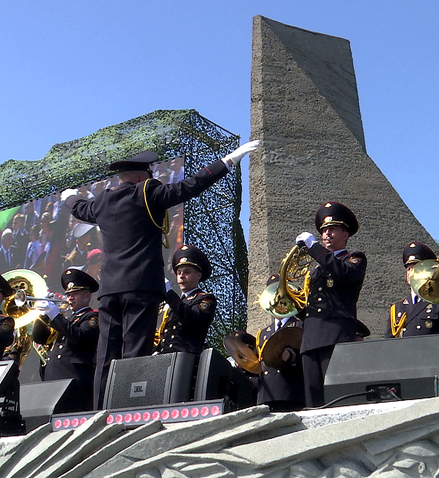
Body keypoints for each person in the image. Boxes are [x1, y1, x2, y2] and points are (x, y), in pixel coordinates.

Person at [62, 140, 259, 409]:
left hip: (109, 290)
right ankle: (126, 409)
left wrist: (68, 197)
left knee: (105, 355)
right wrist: (228, 161)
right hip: (141, 286)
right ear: (144, 175)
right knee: (134, 352)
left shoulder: (104, 201)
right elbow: (190, 185)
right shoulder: (148, 192)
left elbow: (78, 208)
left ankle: (100, 412)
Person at [295, 201, 367, 407]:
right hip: (310, 338)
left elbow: (345, 274)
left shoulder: (354, 259)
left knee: (337, 396)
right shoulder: (316, 270)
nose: (326, 234)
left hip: (335, 335)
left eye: (332, 229)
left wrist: (314, 248)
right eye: (324, 231)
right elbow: (311, 306)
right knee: (312, 399)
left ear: (345, 234)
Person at [32, 268, 100, 410]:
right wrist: (43, 315)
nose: (70, 298)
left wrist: (56, 316)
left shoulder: (92, 317)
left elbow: (79, 337)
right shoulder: (66, 320)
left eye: (75, 294)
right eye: (68, 295)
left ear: (87, 296)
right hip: (53, 378)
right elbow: (40, 338)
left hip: (74, 379)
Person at [156, 245, 217, 355]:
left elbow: (191, 319)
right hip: (164, 358)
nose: (181, 276)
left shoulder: (205, 299)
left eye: (187, 272)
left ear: (198, 275)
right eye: (179, 273)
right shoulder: (174, 302)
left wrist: (169, 293)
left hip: (185, 360)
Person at [256, 276, 305, 412]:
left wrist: (291, 357)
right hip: (266, 395)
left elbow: (307, 361)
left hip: (289, 394)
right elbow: (256, 364)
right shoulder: (264, 333)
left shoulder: (300, 326)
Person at [387, 242, 439, 338]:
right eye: (409, 269)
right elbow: (388, 344)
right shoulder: (397, 308)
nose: (411, 273)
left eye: (415, 269)